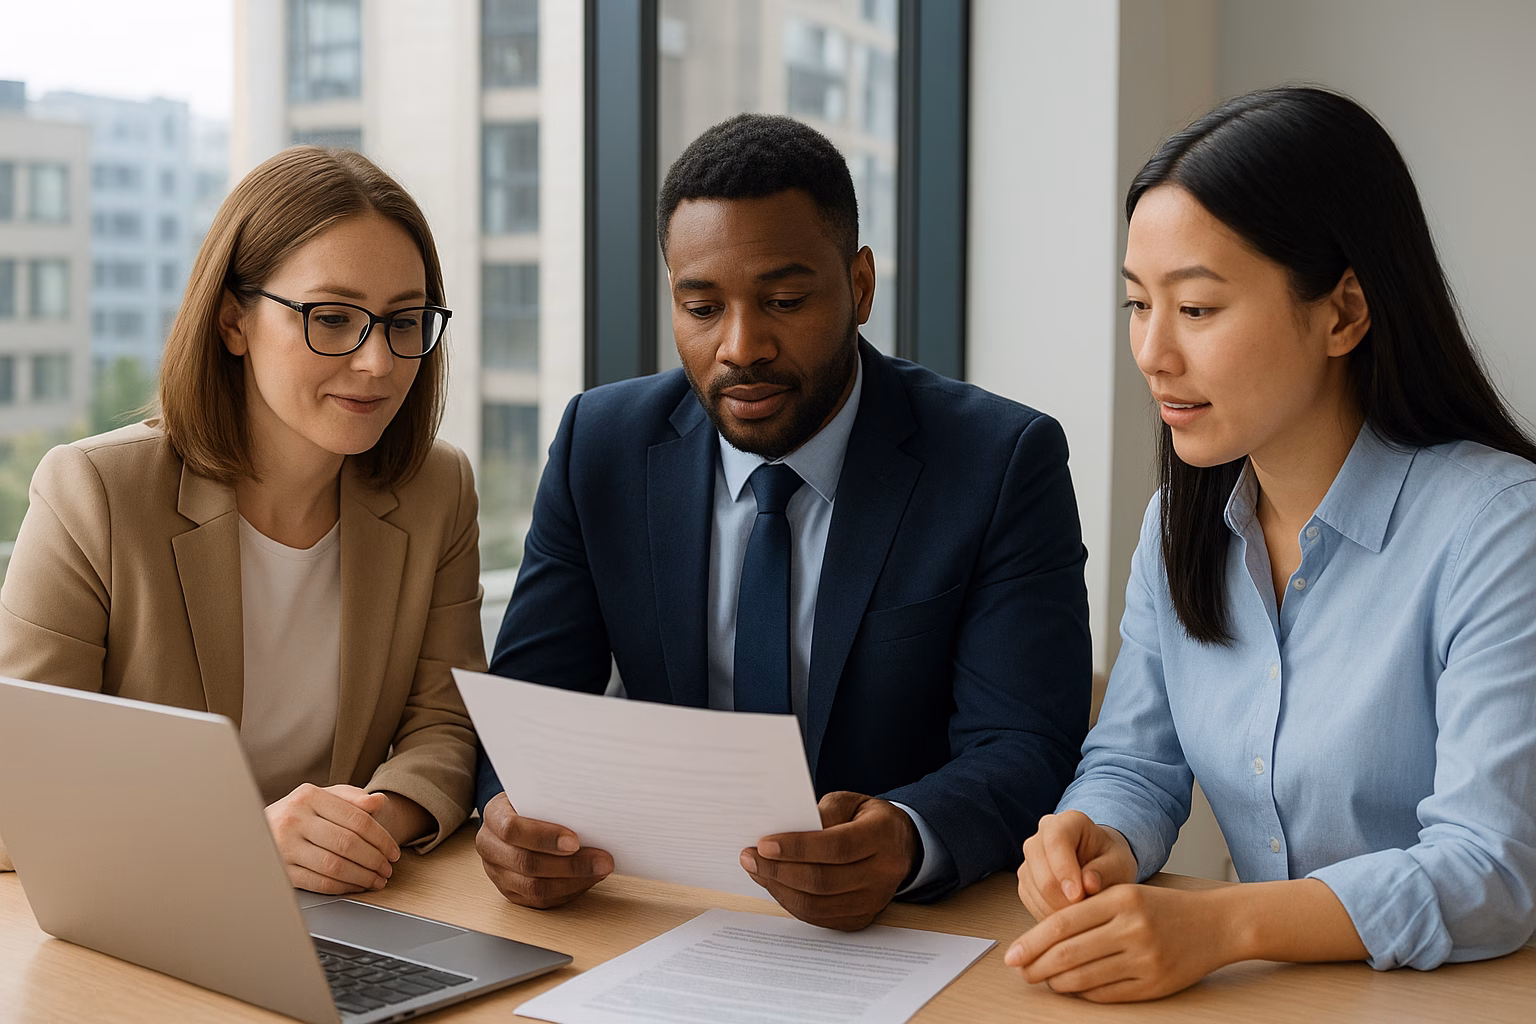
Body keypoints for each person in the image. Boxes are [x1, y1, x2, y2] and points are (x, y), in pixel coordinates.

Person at [474, 113, 1091, 929]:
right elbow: (526, 711)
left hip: (908, 932)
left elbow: (1026, 743)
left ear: (861, 286)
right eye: (701, 308)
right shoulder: (603, 446)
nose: (741, 346)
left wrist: (907, 837)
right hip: (662, 916)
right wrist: (510, 817)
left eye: (785, 300)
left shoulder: (1000, 461)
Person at [1006, 86, 1536, 1001]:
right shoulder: (1179, 527)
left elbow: (1488, 869)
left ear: (1343, 313)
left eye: (1198, 310)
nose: (1152, 353)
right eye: (1137, 304)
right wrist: (1091, 837)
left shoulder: (1500, 530)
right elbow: (1136, 761)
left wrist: (1225, 922)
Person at [0, 147, 484, 894]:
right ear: (234, 321)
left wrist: (365, 826)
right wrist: (241, 843)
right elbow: (18, 794)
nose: (378, 362)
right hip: (153, 911)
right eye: (332, 318)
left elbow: (443, 725)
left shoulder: (437, 489)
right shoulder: (92, 493)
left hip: (351, 908)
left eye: (405, 321)